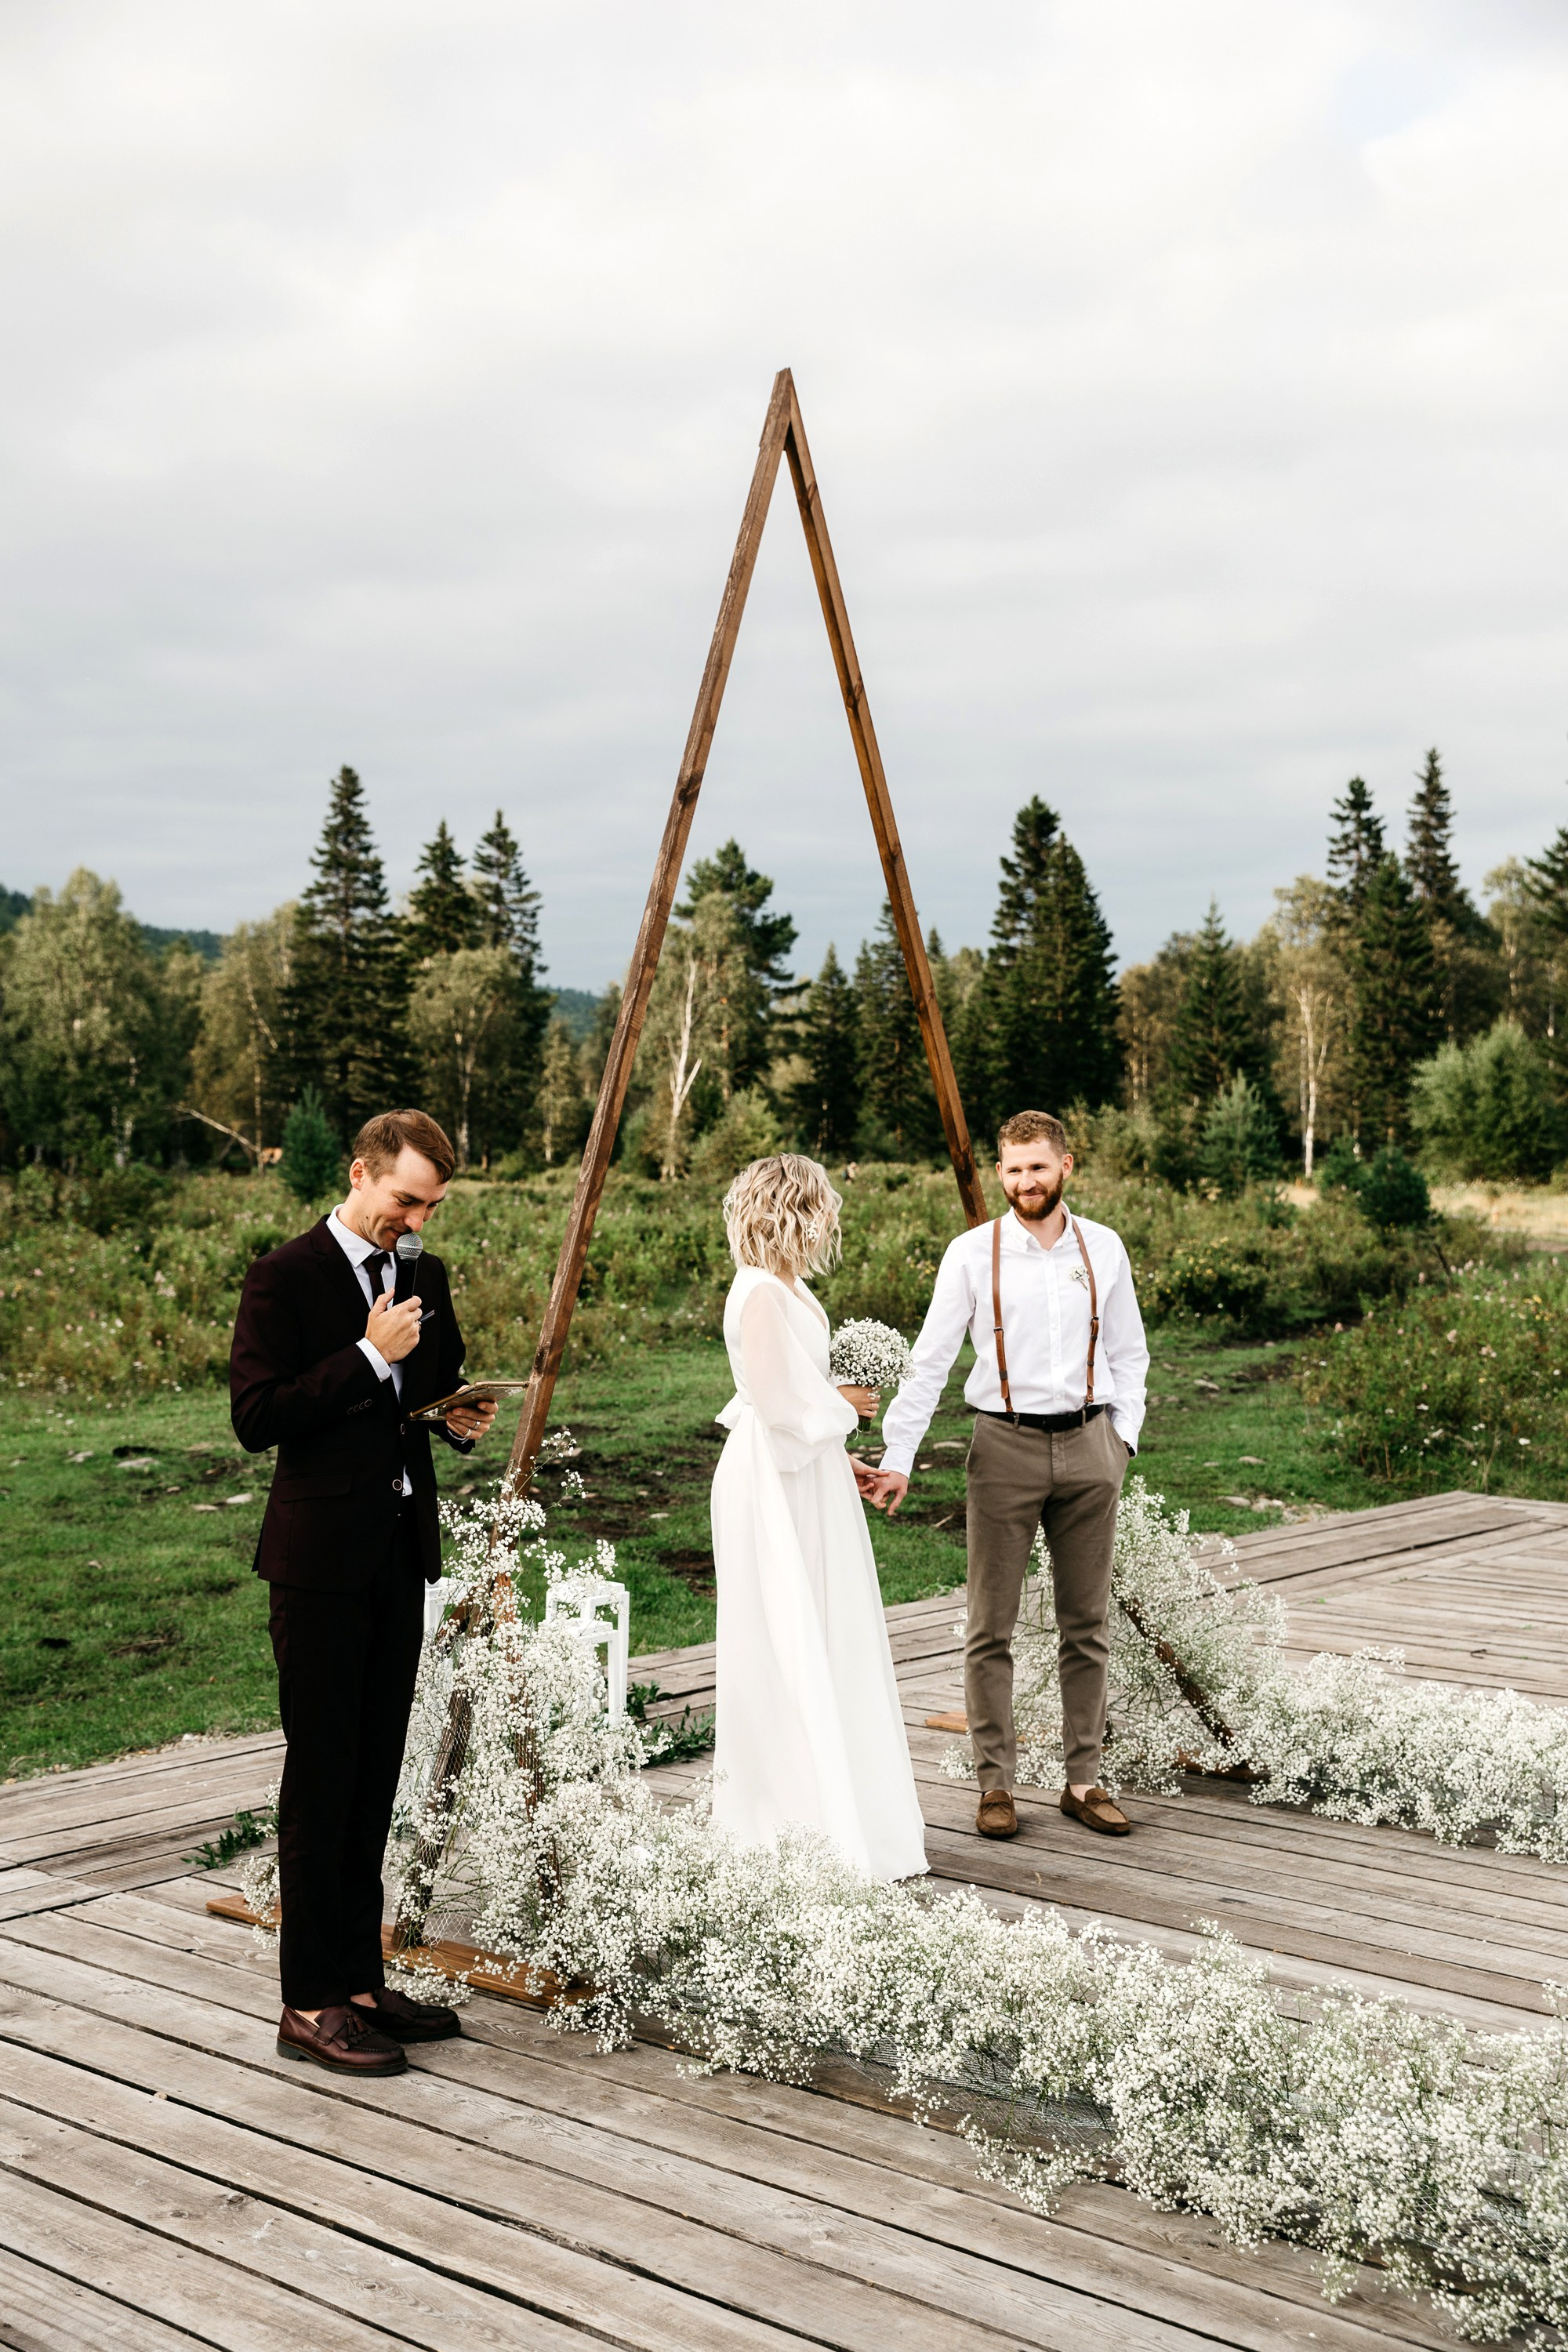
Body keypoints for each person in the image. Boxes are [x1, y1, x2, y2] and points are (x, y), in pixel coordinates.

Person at [230, 1109, 498, 2075]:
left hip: (396, 1552)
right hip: (315, 1565)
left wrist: (452, 1413)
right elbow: (256, 1417)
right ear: (360, 1174)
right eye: (404, 1200)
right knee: (320, 1781)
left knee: (375, 1772)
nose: (416, 1220)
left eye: (430, 1205)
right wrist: (367, 1356)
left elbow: (421, 1394)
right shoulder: (284, 1277)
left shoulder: (422, 1274)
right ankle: (306, 2004)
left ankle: (356, 1981)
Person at [869, 1109, 1149, 1842]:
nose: (1027, 1181)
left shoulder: (1105, 1248)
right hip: (1004, 1449)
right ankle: (996, 1786)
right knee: (989, 1625)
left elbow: (1130, 1352)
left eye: (1039, 1167)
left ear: (1066, 1166)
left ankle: (1082, 1781)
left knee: (1085, 1625)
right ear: (1000, 1173)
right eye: (1014, 1169)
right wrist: (899, 1457)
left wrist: (1123, 1440)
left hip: (1091, 1447)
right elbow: (929, 1363)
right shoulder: (970, 1255)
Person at [710, 1154, 927, 1882]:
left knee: (822, 1626)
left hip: (805, 1472)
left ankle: (834, 1804)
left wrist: (844, 1457)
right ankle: (790, 1819)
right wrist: (848, 1407)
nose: (830, 1220)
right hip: (773, 1480)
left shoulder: (786, 1286)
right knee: (784, 1632)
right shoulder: (760, 1294)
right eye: (822, 1208)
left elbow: (791, 1406)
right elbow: (777, 1403)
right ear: (792, 1210)